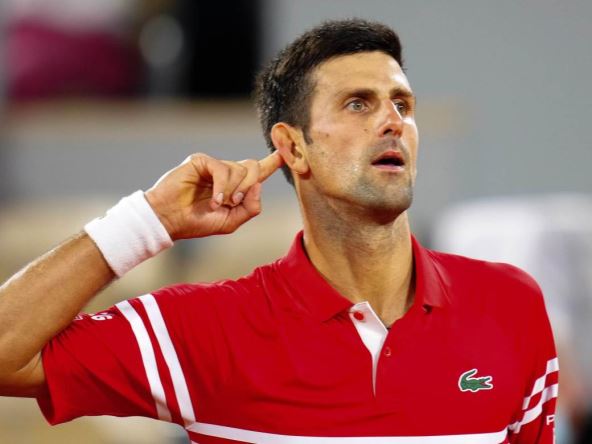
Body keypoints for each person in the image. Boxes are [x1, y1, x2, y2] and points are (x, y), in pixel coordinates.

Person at [0, 19, 558, 443]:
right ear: (293, 147)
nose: (393, 121)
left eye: (402, 104)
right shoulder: (205, 330)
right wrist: (149, 220)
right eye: (358, 104)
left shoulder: (512, 305)